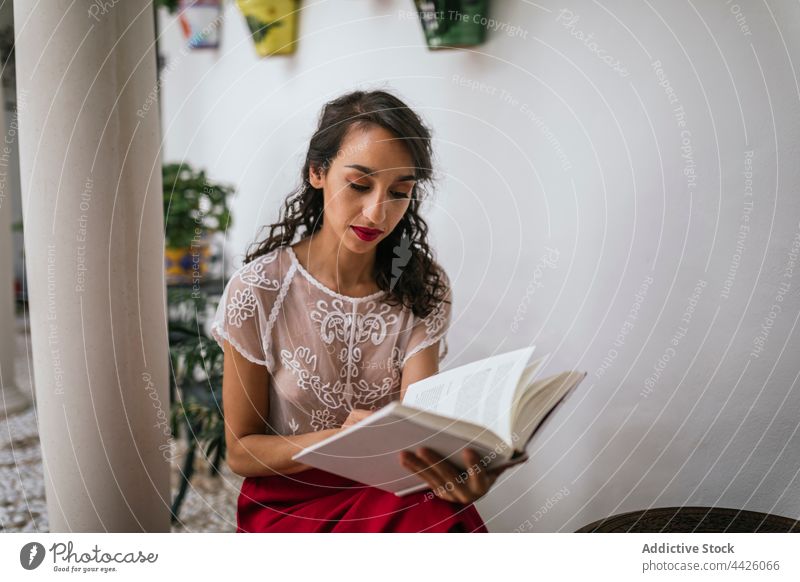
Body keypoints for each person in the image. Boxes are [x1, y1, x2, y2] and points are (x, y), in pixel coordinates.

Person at [210, 89, 512, 532]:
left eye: (399, 192)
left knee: (440, 512)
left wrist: (460, 473)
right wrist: (337, 442)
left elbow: (418, 427)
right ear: (317, 172)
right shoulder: (259, 291)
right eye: (359, 185)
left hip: (393, 490)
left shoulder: (421, 288)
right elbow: (241, 452)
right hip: (291, 499)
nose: (377, 212)